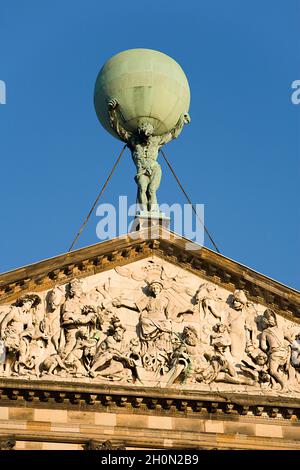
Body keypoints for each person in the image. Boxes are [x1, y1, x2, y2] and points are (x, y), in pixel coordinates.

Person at [108, 98, 190, 212]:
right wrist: (111, 111)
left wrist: (181, 120)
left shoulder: (156, 141)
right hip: (142, 170)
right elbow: (118, 129)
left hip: (155, 168)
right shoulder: (133, 141)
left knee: (151, 190)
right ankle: (144, 211)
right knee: (142, 188)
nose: (146, 139)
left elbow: (172, 134)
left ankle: (154, 211)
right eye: (144, 136)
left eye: (148, 136)